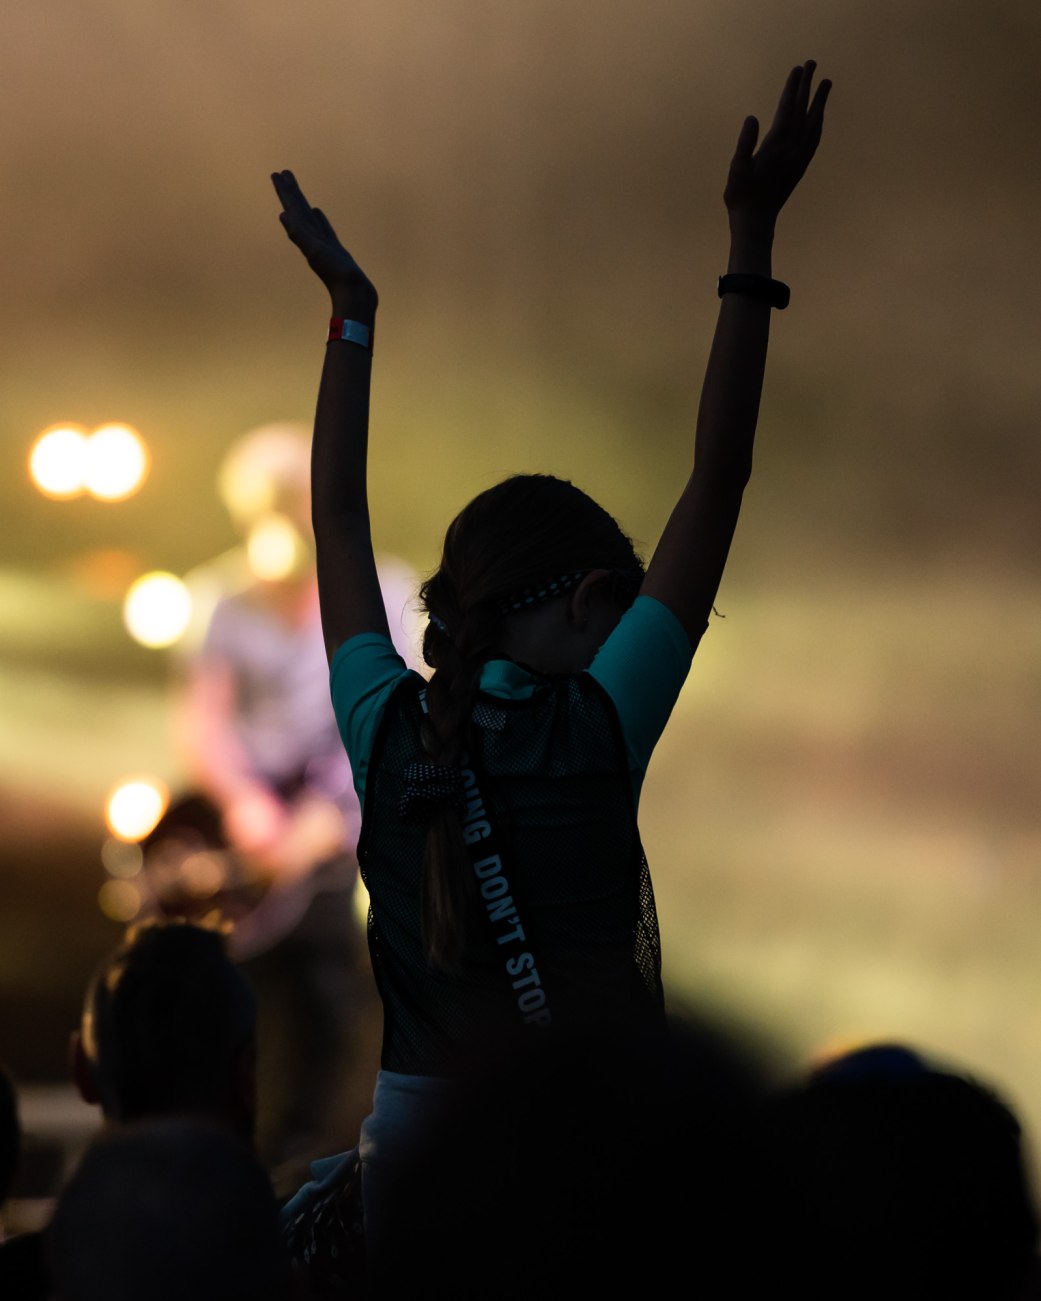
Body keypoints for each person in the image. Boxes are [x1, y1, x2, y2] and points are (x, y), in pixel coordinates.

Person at [271, 59, 831, 1289]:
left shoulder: (379, 726)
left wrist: (352, 314)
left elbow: (336, 523)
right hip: (602, 1188)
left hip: (409, 1204)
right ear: (590, 600)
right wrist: (752, 235)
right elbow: (720, 479)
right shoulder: (599, 721)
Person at [170, 422, 422, 1181]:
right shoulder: (219, 598)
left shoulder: (390, 587)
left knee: (338, 1002)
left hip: (347, 835)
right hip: (254, 847)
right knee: (249, 1007)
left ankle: (318, 1167)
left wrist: (329, 817)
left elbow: (409, 710)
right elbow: (202, 721)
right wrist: (248, 806)